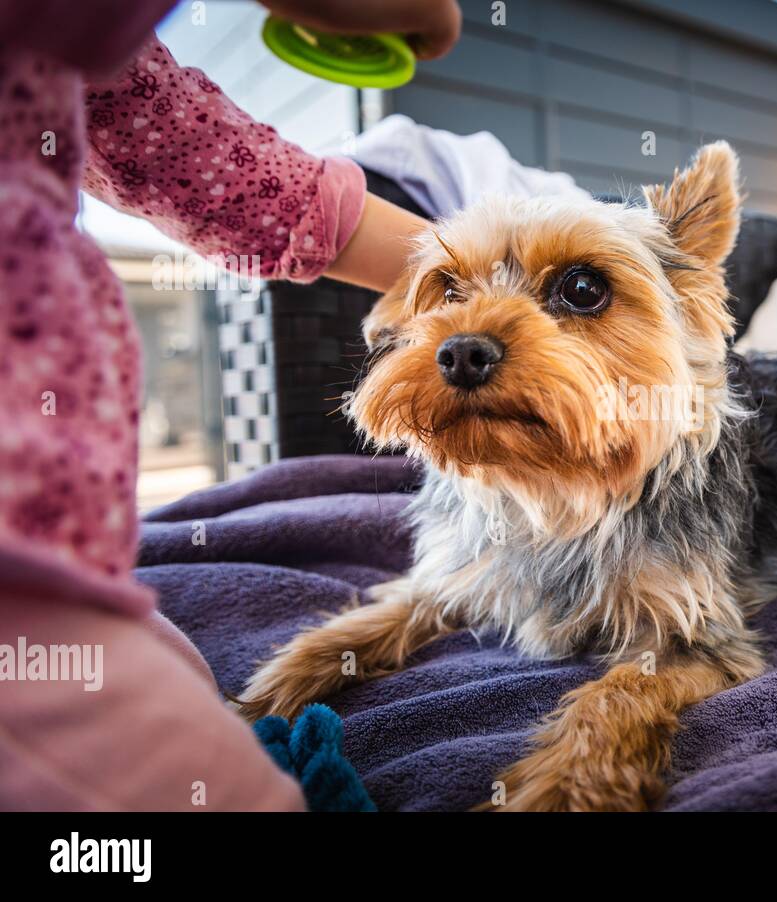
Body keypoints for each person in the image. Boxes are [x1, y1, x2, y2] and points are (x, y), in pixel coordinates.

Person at [0, 0, 462, 810]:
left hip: (57, 543)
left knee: (183, 670)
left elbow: (204, 160)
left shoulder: (72, 75)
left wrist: (472, 268)